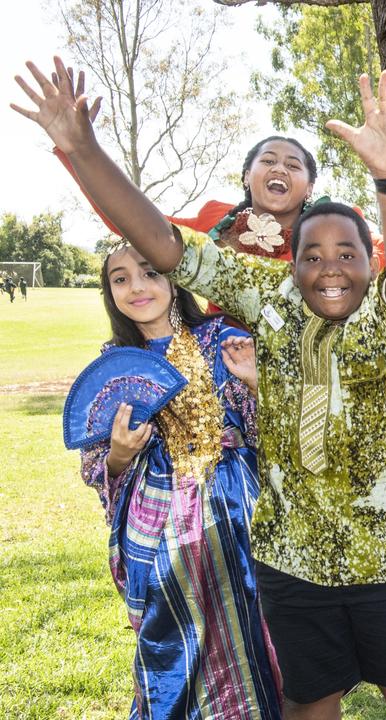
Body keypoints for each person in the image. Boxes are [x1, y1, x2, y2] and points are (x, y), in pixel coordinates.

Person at [16, 58, 386, 719]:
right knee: (307, 698)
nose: (329, 267)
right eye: (312, 254)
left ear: (372, 266)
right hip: (290, 556)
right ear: (287, 267)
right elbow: (163, 243)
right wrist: (81, 148)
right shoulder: (265, 300)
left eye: (348, 254)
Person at [78, 245, 277, 718]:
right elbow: (93, 464)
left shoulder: (222, 338)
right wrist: (120, 455)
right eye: (120, 279)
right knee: (169, 636)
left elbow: (270, 435)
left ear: (174, 278)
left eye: (149, 272)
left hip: (237, 510)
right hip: (157, 523)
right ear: (110, 293)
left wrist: (253, 383)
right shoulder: (114, 362)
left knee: (251, 625)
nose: (137, 287)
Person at [51, 64, 386, 272]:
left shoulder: (340, 229)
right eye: (268, 161)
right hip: (223, 401)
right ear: (247, 176)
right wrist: (78, 152)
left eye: (294, 165)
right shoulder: (214, 221)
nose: (280, 169)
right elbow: (132, 221)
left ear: (310, 187)